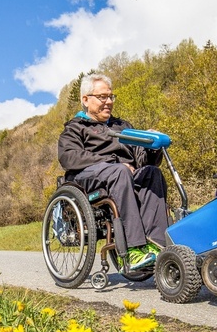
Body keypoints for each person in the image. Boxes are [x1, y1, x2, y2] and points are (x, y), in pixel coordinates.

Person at [57, 73, 169, 269]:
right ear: (85, 99)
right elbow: (69, 157)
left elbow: (140, 160)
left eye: (111, 97)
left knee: (152, 172)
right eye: (102, 97)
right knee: (120, 171)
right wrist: (112, 162)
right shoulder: (75, 128)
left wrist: (152, 147)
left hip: (123, 174)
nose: (108, 101)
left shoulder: (123, 127)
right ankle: (134, 249)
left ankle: (158, 245)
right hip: (89, 177)